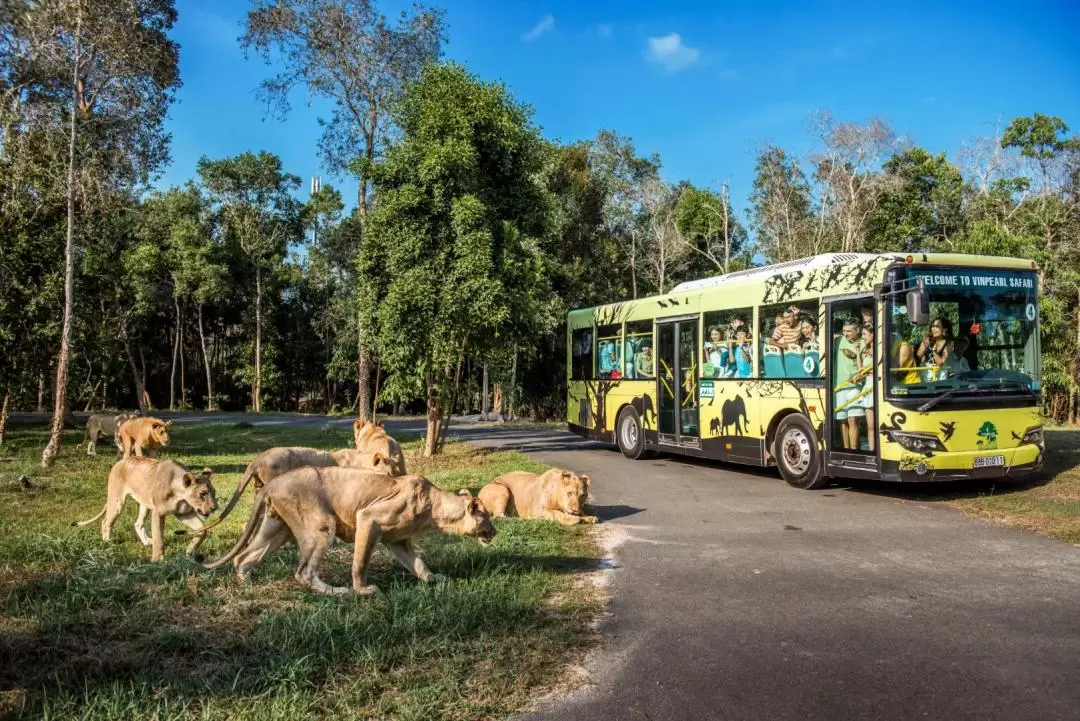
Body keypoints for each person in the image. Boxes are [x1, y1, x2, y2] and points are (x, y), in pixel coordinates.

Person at [834, 319, 864, 450]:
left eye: (849, 331)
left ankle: (854, 450)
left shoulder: (862, 342)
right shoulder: (837, 340)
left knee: (853, 420)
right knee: (842, 421)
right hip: (839, 385)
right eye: (844, 331)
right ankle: (846, 450)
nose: (846, 334)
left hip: (855, 386)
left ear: (857, 330)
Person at [856, 323, 875, 451]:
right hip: (868, 385)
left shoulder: (877, 350)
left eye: (864, 334)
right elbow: (860, 369)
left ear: (873, 334)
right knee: (870, 426)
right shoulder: (866, 351)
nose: (862, 337)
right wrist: (858, 351)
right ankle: (872, 450)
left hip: (876, 385)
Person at [917, 317, 954, 381]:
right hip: (926, 374)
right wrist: (924, 344)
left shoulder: (949, 342)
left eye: (937, 326)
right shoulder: (928, 339)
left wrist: (933, 351)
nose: (933, 329)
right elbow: (919, 355)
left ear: (945, 329)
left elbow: (940, 363)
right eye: (932, 326)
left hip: (940, 375)